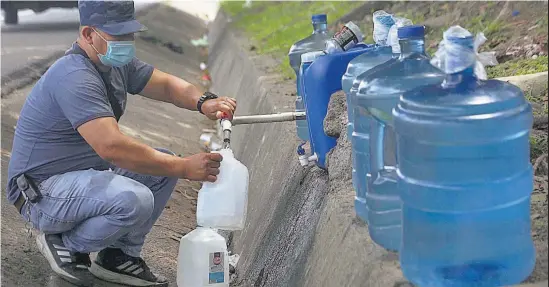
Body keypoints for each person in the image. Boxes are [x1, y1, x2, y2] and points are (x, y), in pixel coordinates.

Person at [5, 1, 236, 286]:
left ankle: (118, 256)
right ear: (89, 34)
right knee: (135, 199)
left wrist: (204, 102)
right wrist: (184, 167)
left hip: (77, 181)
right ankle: (65, 242)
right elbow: (112, 147)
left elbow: (165, 85)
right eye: (119, 35)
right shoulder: (74, 76)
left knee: (160, 168)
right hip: (41, 192)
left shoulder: (112, 64)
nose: (127, 42)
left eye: (130, 34)